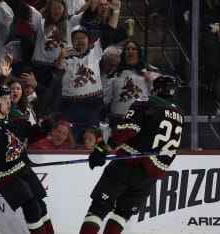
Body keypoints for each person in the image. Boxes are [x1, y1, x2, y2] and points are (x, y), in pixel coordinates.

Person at [79, 75, 184, 234]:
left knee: (99, 207)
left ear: (157, 90)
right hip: (149, 176)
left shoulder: (146, 101)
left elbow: (129, 129)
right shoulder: (180, 113)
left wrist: (104, 148)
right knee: (122, 215)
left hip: (127, 165)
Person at [0, 84, 54, 234]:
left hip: (22, 167)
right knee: (31, 206)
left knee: (41, 204)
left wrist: (43, 128)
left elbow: (30, 134)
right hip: (5, 176)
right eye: (5, 99)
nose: (9, 102)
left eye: (9, 99)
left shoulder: (15, 115)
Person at [54, 25, 104, 144]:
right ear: (71, 42)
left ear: (88, 40)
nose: (80, 40)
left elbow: (110, 31)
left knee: (91, 142)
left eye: (83, 37)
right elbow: (57, 73)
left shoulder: (95, 52)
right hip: (70, 108)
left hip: (91, 106)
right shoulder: (65, 57)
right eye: (76, 38)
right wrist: (61, 56)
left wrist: (116, 9)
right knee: (69, 142)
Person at [103, 40, 161, 130]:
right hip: (117, 120)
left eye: (133, 49)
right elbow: (107, 99)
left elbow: (158, 96)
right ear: (123, 54)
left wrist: (150, 82)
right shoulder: (115, 74)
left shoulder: (151, 72)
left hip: (140, 120)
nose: (130, 51)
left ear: (139, 53)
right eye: (127, 49)